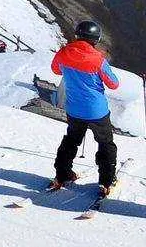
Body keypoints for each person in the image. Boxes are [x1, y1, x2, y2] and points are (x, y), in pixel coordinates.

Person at [50, 19, 122, 196]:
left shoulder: (64, 52)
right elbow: (113, 84)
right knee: (105, 144)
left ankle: (62, 175)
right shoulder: (98, 60)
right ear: (96, 39)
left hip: (74, 109)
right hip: (97, 111)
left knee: (71, 141)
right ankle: (106, 181)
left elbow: (56, 70)